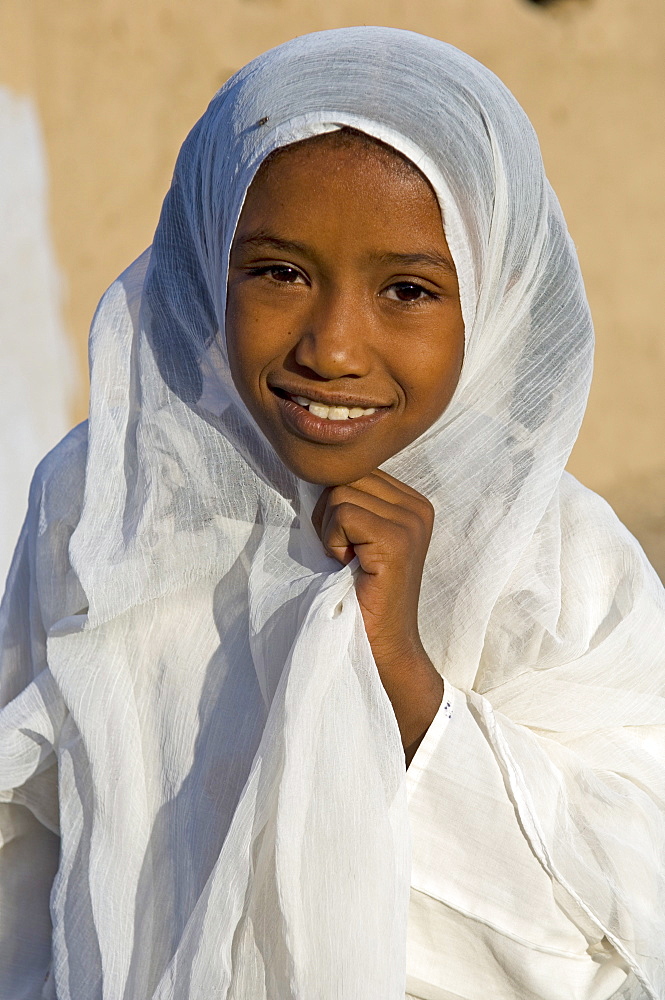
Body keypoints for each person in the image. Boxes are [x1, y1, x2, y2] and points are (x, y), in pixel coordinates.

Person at [0, 25, 663, 1000]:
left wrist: (399, 673)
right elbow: (30, 834)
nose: (334, 346)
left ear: (493, 297)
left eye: (406, 289)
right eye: (277, 271)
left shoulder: (554, 563)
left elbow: (623, 904)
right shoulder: (111, 499)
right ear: (203, 259)